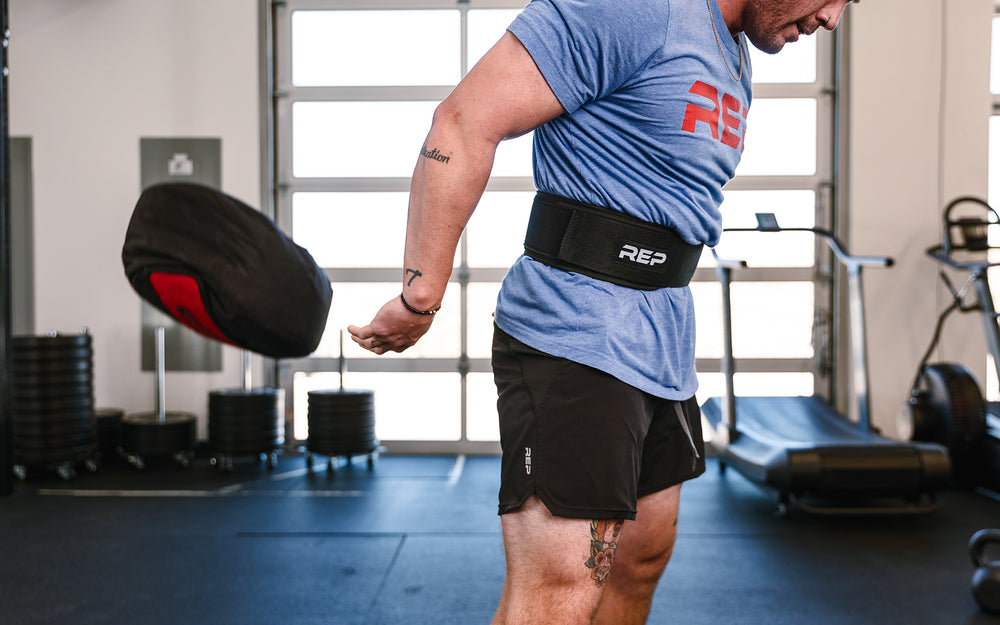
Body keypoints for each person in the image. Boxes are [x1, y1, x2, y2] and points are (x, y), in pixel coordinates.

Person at [348, 0, 856, 622]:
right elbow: (462, 120)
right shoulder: (633, 6)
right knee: (561, 586)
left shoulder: (731, 49)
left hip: (661, 335)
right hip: (577, 327)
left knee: (637, 562)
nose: (833, 18)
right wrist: (419, 294)